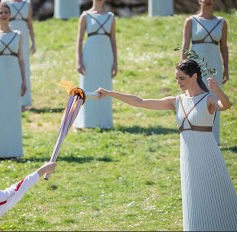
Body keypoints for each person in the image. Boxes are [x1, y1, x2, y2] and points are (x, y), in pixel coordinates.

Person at [96, 59, 237, 231]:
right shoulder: (176, 101)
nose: (178, 82)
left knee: (216, 195)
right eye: (176, 78)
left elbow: (226, 105)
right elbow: (140, 102)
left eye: (182, 78)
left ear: (194, 76)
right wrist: (110, 93)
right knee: (194, 198)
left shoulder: (209, 99)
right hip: (188, 158)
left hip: (208, 155)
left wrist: (218, 91)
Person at [181, 0, 229, 145]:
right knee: (196, 98)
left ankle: (214, 139)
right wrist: (183, 69)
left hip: (215, 66)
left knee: (214, 99)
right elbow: (184, 46)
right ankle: (196, 136)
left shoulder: (222, 22)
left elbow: (224, 47)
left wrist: (226, 68)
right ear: (199, 0)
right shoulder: (191, 21)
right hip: (196, 66)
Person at [0, 3, 26, 159]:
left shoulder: (18, 34)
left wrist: (24, 81)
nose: (3, 15)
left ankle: (13, 151)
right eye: (0, 12)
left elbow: (21, 60)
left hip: (13, 77)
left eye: (6, 12)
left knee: (12, 113)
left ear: (10, 14)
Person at [74, 0, 118, 129]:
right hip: (90, 55)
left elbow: (113, 41)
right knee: (88, 86)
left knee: (104, 87)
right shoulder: (85, 16)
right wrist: (78, 61)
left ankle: (104, 123)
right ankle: (86, 122)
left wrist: (115, 62)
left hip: (106, 56)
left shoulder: (110, 17)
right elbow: (79, 40)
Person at [1, 0, 36, 111]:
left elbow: (30, 24)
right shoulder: (5, 2)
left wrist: (33, 42)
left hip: (23, 38)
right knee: (11, 66)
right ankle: (9, 99)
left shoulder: (27, 4)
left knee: (24, 66)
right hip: (9, 36)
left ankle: (24, 101)